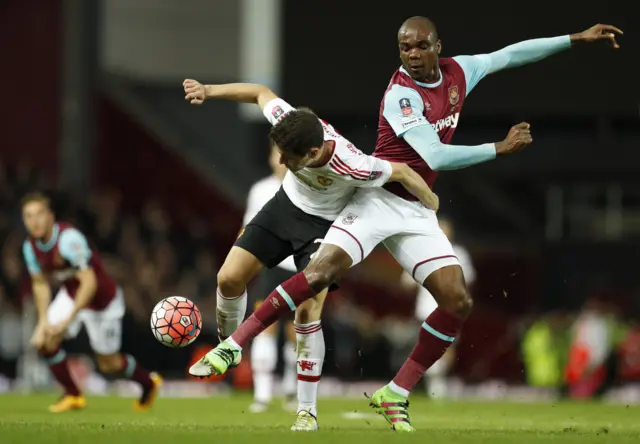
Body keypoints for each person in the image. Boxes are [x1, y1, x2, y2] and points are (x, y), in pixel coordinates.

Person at [195, 18, 622, 432]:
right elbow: (432, 157)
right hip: (375, 202)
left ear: (439, 45)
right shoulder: (402, 95)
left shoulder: (460, 72)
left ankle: (396, 392)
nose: (413, 55)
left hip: (413, 210)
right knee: (319, 274)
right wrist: (499, 148)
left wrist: (574, 39)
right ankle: (234, 346)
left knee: (458, 301)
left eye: (420, 46)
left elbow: (508, 55)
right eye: (404, 48)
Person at [183, 79, 439, 431]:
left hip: (323, 230)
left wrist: (431, 204)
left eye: (289, 158)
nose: (282, 163)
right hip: (283, 210)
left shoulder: (354, 165)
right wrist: (209, 91)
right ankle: (231, 346)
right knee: (228, 277)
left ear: (314, 154)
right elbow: (260, 93)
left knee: (308, 309)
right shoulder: (292, 122)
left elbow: (403, 171)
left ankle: (306, 411)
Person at [21, 192, 162, 413]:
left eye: (39, 214)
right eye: (29, 216)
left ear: (51, 216)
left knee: (109, 363)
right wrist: (42, 321)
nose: (35, 221)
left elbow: (89, 282)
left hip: (101, 302)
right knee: (44, 340)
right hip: (71, 295)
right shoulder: (30, 248)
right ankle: (74, 395)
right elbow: (39, 284)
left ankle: (148, 382)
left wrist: (67, 320)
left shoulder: (68, 240)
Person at [244, 146, 298, 413]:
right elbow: (248, 230)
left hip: (300, 267)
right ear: (270, 157)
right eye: (277, 154)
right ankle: (262, 394)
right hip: (270, 266)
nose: (281, 160)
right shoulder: (260, 190)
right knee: (265, 326)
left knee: (296, 333)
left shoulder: (308, 186)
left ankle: (291, 390)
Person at [400, 217, 475, 399]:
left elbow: (469, 278)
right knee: (427, 345)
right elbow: (406, 282)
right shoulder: (421, 252)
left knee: (447, 346)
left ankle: (435, 377)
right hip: (425, 308)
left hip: (449, 307)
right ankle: (432, 380)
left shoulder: (459, 253)